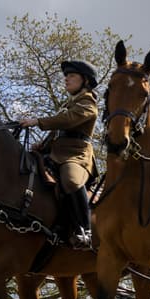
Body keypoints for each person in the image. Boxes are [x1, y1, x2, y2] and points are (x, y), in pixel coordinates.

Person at [20, 59, 98, 249]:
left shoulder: (88, 101)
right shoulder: (68, 103)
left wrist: (38, 121)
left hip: (76, 156)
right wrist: (43, 146)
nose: (66, 79)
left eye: (72, 76)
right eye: (66, 76)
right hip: (55, 154)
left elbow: (69, 120)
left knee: (71, 180)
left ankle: (84, 230)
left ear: (85, 80)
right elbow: (58, 132)